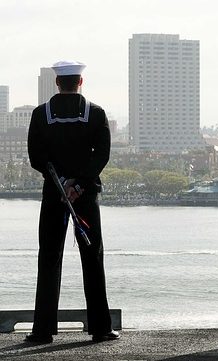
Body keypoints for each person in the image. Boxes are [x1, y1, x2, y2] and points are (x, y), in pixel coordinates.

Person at [26, 61, 119, 343]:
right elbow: (101, 156)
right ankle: (100, 328)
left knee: (50, 258)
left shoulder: (41, 115)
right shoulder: (97, 114)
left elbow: (36, 157)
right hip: (85, 194)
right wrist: (78, 184)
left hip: (55, 193)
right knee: (93, 257)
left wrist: (62, 182)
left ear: (58, 83)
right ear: (80, 82)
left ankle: (42, 330)